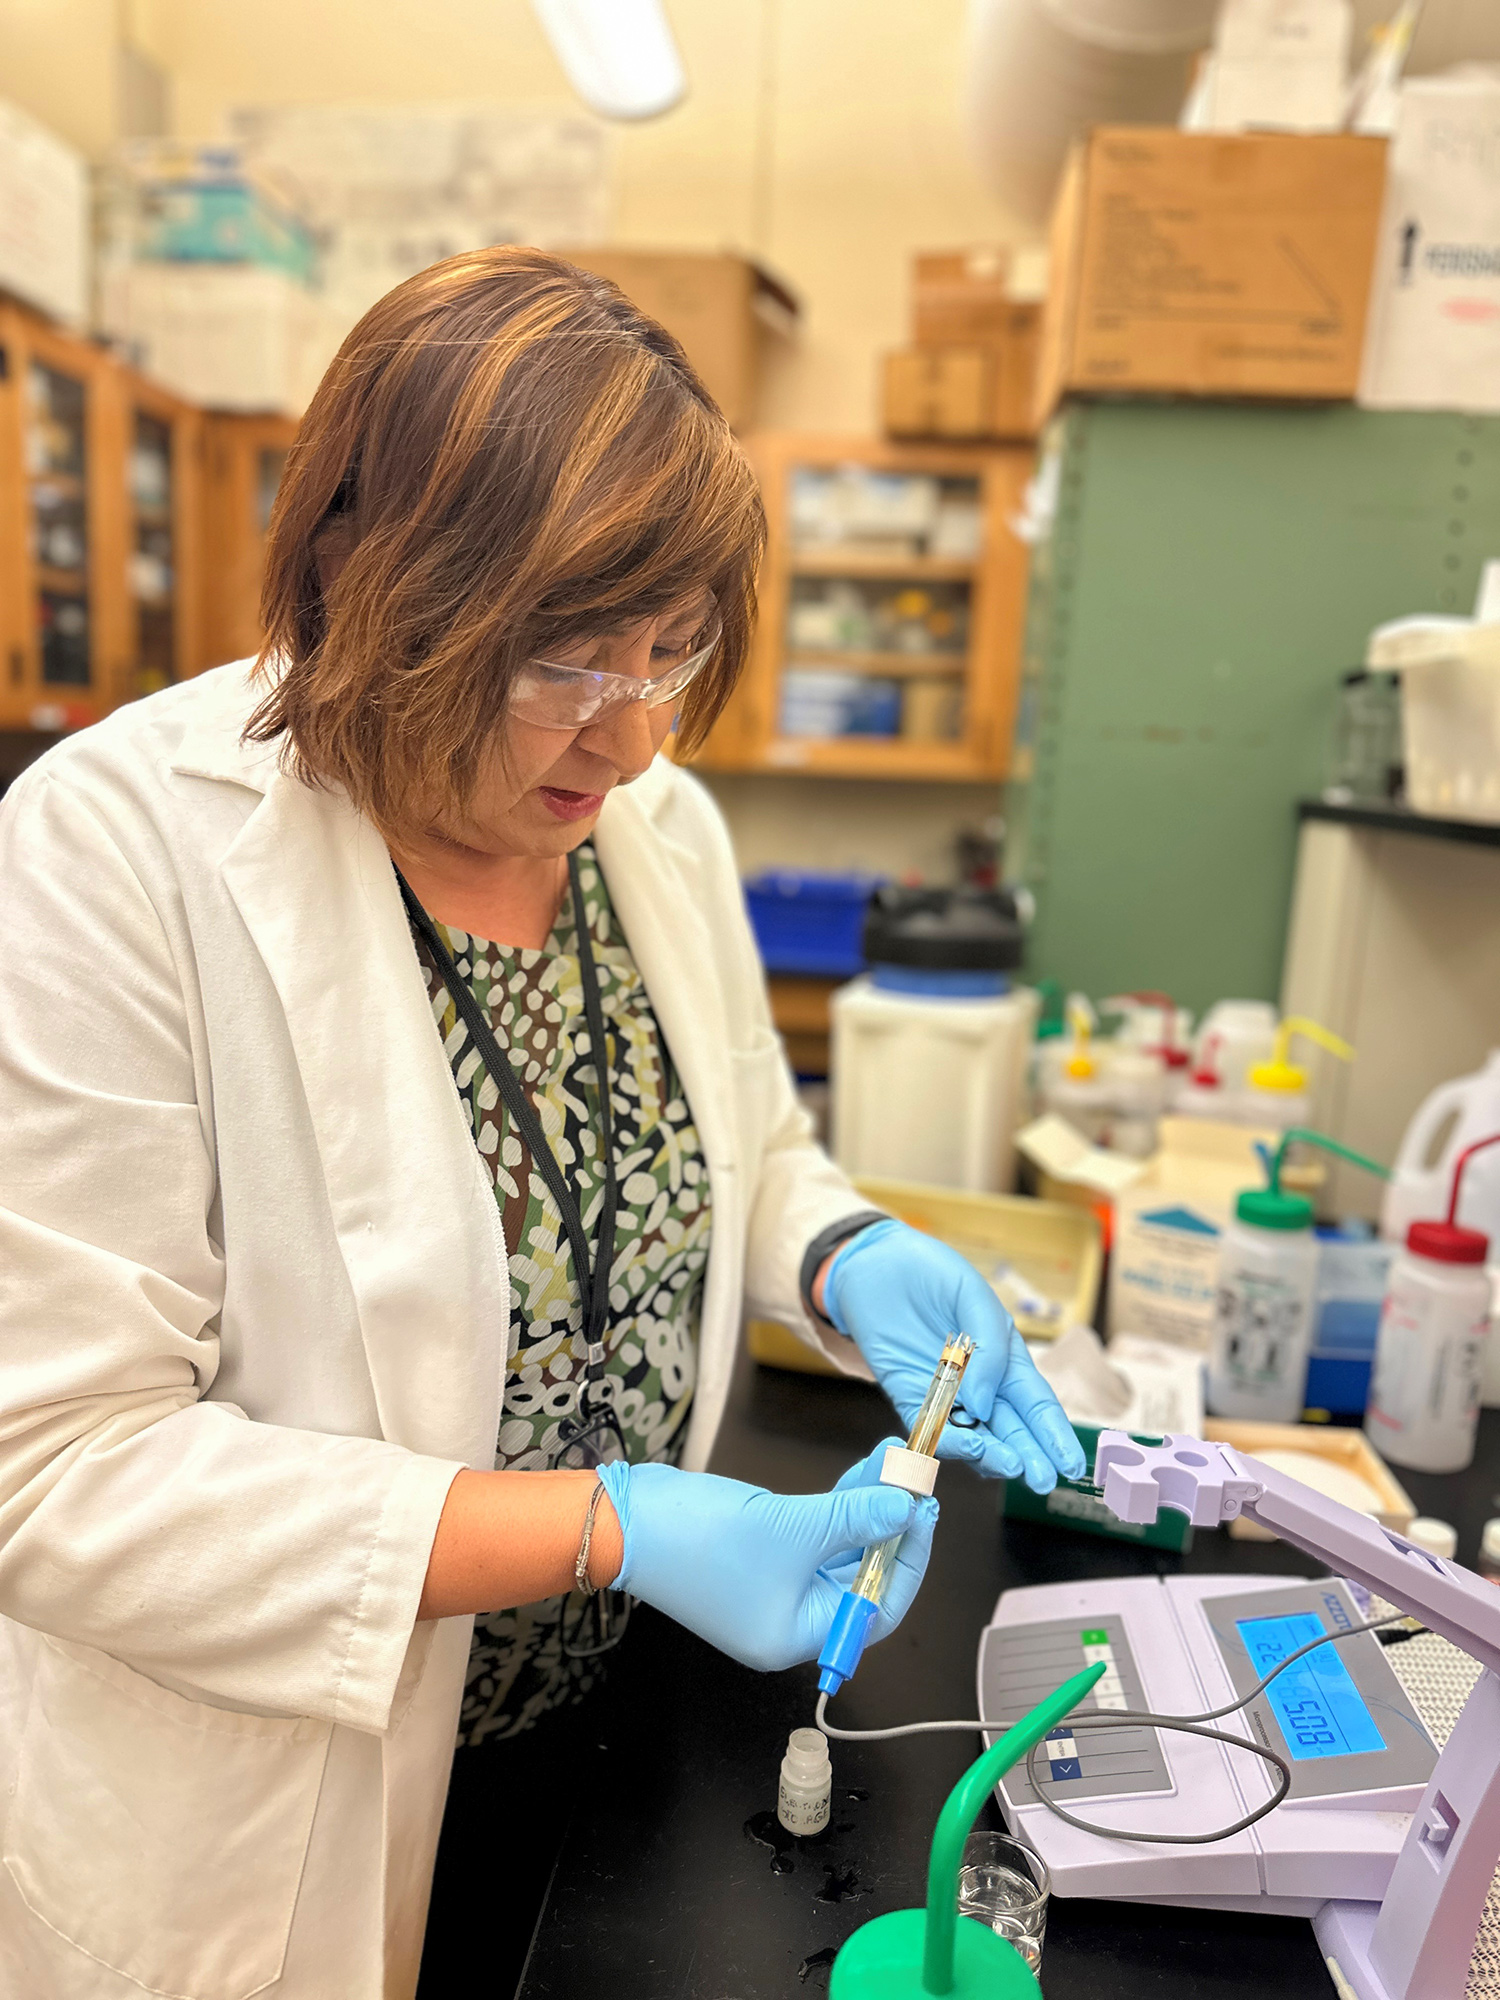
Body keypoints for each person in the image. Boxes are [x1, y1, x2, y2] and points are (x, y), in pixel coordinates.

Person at [0, 246, 1084, 2000]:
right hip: (277, 1812)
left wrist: (841, 1246)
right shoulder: (114, 854)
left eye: (675, 652)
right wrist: (617, 1525)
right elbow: (50, 1473)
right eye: (570, 659)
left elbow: (741, 1138)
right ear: (372, 583)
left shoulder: (657, 835)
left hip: (614, 1748)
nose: (638, 735)